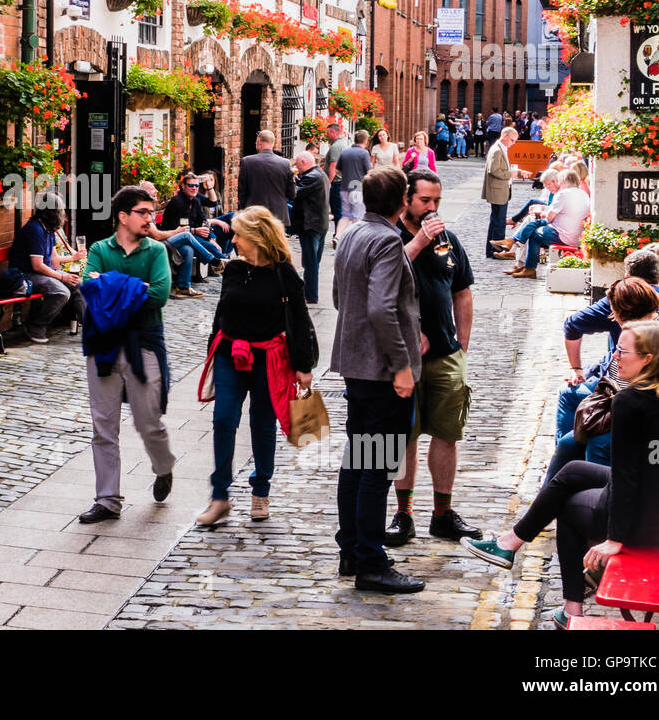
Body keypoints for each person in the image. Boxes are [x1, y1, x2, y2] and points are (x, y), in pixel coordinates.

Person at [462, 321, 659, 628]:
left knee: (567, 506)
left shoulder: (632, 402)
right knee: (573, 470)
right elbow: (658, 464)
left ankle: (572, 609)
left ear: (649, 359)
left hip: (646, 522)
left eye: (622, 350)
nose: (615, 356)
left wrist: (615, 539)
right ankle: (511, 542)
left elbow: (627, 477)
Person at [331, 166, 425, 593]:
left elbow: (338, 296)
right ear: (402, 200)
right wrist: (402, 366)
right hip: (384, 373)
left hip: (355, 366)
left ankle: (350, 549)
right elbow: (381, 308)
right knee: (377, 468)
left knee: (357, 461)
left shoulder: (351, 233)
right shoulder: (387, 240)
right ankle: (370, 561)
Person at [195, 207, 318, 526]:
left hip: (269, 359)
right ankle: (219, 496)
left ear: (256, 238)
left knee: (262, 425)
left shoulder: (284, 273)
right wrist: (211, 350)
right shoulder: (234, 269)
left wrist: (304, 366)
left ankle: (260, 491)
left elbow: (300, 320)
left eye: (237, 235)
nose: (232, 240)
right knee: (223, 419)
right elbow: (221, 310)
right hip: (229, 354)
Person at [385, 171, 482, 546]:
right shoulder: (390, 237)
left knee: (446, 434)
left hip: (445, 354)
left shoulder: (448, 241)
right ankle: (402, 513)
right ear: (406, 198)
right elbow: (385, 279)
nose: (432, 208)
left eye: (436, 201)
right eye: (425, 200)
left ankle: (443, 514)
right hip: (402, 358)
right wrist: (420, 241)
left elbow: (462, 292)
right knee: (402, 436)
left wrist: (463, 344)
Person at [77, 185, 176, 524]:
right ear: (122, 216)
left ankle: (164, 467)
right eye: (144, 212)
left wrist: (112, 285)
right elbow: (88, 288)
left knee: (148, 421)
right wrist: (135, 288)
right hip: (103, 344)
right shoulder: (99, 248)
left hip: (143, 343)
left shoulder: (156, 252)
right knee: (103, 427)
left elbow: (160, 295)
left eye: (152, 212)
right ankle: (107, 500)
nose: (151, 218)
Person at [545, 277, 659, 482]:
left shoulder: (649, 336)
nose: (612, 316)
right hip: (647, 410)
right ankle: (555, 501)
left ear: (619, 313)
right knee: (568, 444)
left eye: (613, 311)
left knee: (597, 444)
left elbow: (628, 390)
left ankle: (600, 501)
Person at [8, 191, 86, 343]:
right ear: (52, 212)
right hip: (26, 275)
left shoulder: (48, 229)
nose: (64, 213)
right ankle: (35, 326)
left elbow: (52, 260)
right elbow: (37, 266)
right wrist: (62, 277)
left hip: (40, 273)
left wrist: (68, 269)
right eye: (61, 210)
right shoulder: (35, 230)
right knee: (61, 292)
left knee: (79, 284)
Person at [501, 169, 590, 279]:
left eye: (559, 181)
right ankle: (515, 244)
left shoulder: (563, 194)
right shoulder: (583, 194)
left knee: (535, 235)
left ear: (563, 182)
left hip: (563, 234)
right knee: (535, 224)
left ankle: (529, 266)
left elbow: (550, 218)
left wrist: (542, 212)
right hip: (577, 235)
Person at [161, 170, 226, 298]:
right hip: (169, 238)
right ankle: (218, 262)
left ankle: (183, 287)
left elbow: (203, 220)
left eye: (196, 186)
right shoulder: (177, 202)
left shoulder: (195, 201)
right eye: (191, 185)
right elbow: (175, 228)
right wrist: (194, 230)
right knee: (188, 237)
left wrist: (210, 236)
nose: (194, 188)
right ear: (183, 186)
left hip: (186, 241)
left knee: (188, 249)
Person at [290, 150, 331, 304]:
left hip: (311, 225)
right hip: (320, 223)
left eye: (297, 164)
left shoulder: (312, 177)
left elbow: (295, 193)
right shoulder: (319, 174)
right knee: (313, 261)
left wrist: (291, 181)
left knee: (310, 262)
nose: (297, 167)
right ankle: (308, 290)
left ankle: (311, 295)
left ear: (304, 162)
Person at [237, 129, 296, 227]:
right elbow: (291, 194)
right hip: (278, 215)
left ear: (259, 141)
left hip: (254, 214)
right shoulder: (285, 163)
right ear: (273, 143)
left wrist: (243, 210)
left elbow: (242, 192)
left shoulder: (247, 161)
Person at [481, 125, 519, 258]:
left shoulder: (501, 148)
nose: (513, 144)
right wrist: (510, 174)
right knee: (498, 222)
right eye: (513, 140)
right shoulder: (497, 150)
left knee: (496, 221)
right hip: (498, 190)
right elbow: (494, 170)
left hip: (501, 190)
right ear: (505, 136)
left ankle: (491, 250)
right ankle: (497, 251)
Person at [335, 130, 373, 242]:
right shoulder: (364, 153)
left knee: (346, 215)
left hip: (344, 187)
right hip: (358, 188)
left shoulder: (345, 152)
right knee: (358, 216)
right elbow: (369, 171)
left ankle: (337, 236)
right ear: (366, 141)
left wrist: (347, 174)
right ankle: (355, 240)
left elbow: (337, 170)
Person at [198, 169, 236, 255]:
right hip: (206, 227)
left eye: (211, 180)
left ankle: (225, 254)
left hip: (214, 226)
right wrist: (218, 222)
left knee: (231, 225)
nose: (208, 182)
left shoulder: (217, 195)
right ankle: (224, 256)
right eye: (206, 180)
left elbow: (220, 213)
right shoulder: (198, 197)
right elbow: (201, 220)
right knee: (232, 216)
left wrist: (220, 222)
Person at [323, 123, 349, 236]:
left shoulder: (336, 146)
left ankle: (339, 234)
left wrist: (328, 182)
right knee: (340, 210)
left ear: (333, 132)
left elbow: (333, 165)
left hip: (336, 182)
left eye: (328, 133)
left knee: (337, 210)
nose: (327, 135)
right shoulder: (343, 143)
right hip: (342, 181)